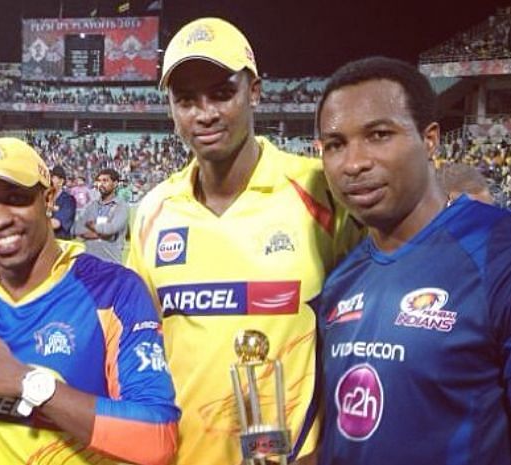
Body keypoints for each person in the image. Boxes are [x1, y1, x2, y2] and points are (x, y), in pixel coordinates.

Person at [125, 17, 361, 465]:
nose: (205, 113)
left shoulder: (317, 188)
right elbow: (141, 347)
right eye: (186, 100)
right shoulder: (153, 211)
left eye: (221, 93)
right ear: (171, 109)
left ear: (254, 91)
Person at [314, 56, 511, 464]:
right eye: (335, 144)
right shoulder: (340, 281)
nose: (354, 163)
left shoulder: (496, 252)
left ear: (431, 139)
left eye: (379, 135)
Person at [0, 137, 180, 465]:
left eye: (16, 199)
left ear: (48, 198)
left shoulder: (113, 292)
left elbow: (158, 438)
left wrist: (27, 383)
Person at [74, 168, 129, 264]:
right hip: (90, 263)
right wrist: (101, 233)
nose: (101, 184)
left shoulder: (121, 206)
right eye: (99, 181)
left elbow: (110, 230)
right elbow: (77, 229)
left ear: (115, 184)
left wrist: (91, 226)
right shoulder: (91, 206)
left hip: (111, 264)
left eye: (105, 181)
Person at [49, 164, 76, 239]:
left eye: (52, 177)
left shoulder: (68, 200)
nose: (49, 179)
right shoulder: (44, 197)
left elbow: (56, 224)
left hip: (60, 243)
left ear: (61, 181)